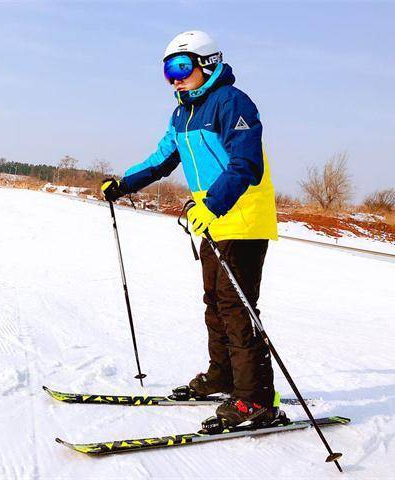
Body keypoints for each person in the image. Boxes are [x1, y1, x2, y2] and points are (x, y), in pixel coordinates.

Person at [101, 30, 279, 427]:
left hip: (243, 217)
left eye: (182, 67)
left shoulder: (232, 103)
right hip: (212, 219)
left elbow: (245, 164)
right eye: (168, 71)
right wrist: (123, 183)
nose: (175, 78)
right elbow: (163, 158)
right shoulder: (183, 113)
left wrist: (214, 205)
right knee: (214, 302)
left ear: (208, 63)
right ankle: (224, 376)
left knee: (236, 307)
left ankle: (256, 398)